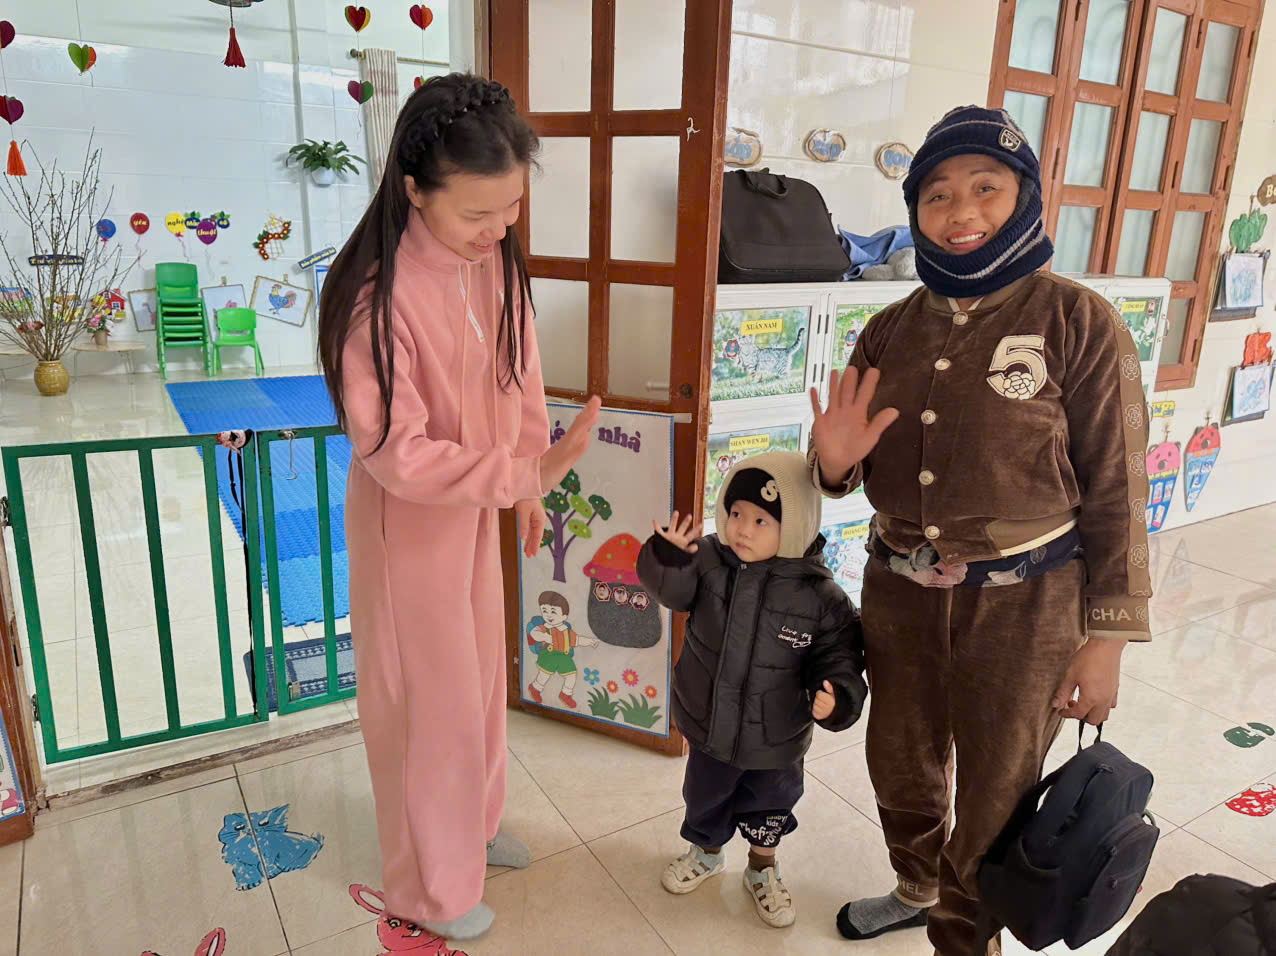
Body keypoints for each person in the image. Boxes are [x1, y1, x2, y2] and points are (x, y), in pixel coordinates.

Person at [807, 106, 1153, 955]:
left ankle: (965, 935)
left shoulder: (1078, 322)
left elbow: (1118, 488)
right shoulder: (889, 330)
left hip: (1028, 606)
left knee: (1000, 788)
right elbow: (844, 463)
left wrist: (1106, 640)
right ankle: (916, 887)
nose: (961, 212)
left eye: (986, 188)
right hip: (899, 592)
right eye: (937, 195)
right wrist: (833, 468)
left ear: (1025, 196)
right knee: (900, 763)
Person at [317, 72, 601, 941]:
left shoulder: (491, 264)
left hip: (476, 508)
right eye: (478, 212)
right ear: (414, 189)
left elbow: (520, 375)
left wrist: (529, 476)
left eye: (511, 207)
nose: (499, 228)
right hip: (408, 527)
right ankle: (426, 888)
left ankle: (471, 832)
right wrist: (520, 474)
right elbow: (394, 452)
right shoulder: (376, 299)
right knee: (424, 709)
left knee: (478, 684)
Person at [636, 451, 867, 928]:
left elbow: (840, 658)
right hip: (710, 723)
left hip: (776, 739)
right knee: (704, 797)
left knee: (770, 807)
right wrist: (667, 559)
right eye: (736, 513)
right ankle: (706, 853)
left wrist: (838, 698)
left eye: (761, 521)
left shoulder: (821, 598)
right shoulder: (709, 562)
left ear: (796, 525)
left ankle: (762, 868)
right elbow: (672, 591)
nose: (742, 529)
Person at [526, 589, 600, 708]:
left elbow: (577, 640)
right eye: (544, 610)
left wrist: (590, 642)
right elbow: (534, 633)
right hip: (548, 656)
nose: (548, 615)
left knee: (571, 675)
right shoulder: (544, 627)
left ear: (564, 616)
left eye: (553, 611)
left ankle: (565, 694)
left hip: (563, 657)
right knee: (544, 675)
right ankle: (535, 688)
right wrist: (545, 637)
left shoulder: (566, 631)